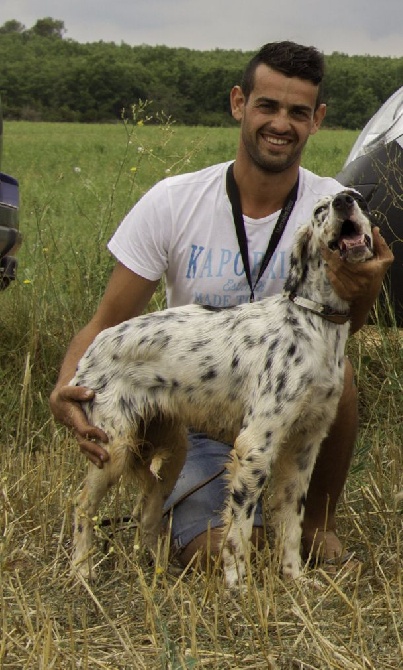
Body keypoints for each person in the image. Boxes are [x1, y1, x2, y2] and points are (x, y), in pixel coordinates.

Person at [50, 41, 393, 573]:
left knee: (335, 370)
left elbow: (353, 324)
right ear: (239, 103)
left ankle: (315, 524)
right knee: (213, 559)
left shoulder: (331, 205)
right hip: (199, 410)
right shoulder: (173, 200)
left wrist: (366, 281)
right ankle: (188, 519)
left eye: (298, 112)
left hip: (290, 406)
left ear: (317, 120)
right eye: (268, 106)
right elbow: (106, 323)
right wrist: (67, 387)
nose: (281, 123)